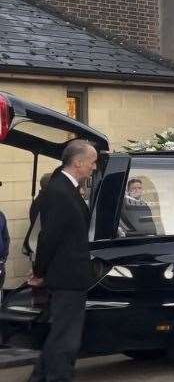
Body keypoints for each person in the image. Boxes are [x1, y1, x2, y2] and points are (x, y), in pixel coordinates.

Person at [28, 140, 99, 382]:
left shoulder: (66, 188)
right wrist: (39, 273)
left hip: (68, 275)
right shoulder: (59, 191)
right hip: (67, 277)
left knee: (59, 334)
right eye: (92, 161)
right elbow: (49, 237)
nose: (94, 167)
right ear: (78, 163)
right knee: (66, 339)